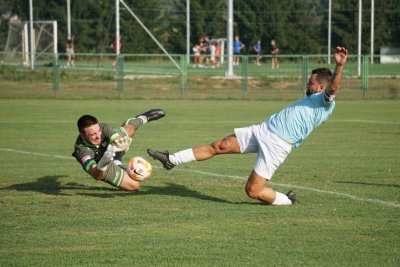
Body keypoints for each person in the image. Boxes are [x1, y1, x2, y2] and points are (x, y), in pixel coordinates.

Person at [147, 46, 349, 205]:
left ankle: (286, 199)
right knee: (220, 145)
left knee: (252, 191)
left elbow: (334, 87)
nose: (307, 85)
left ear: (321, 87)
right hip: (262, 130)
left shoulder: (325, 101)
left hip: (278, 146)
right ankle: (171, 159)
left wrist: (339, 66)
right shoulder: (313, 98)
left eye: (310, 83)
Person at [72, 109, 165, 191]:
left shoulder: (102, 127)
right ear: (83, 136)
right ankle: (116, 163)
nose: (98, 136)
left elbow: (117, 138)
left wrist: (120, 144)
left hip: (110, 149)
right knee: (134, 186)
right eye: (92, 134)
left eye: (98, 131)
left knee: (129, 130)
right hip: (100, 165)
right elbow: (95, 175)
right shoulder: (82, 151)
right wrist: (102, 165)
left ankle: (143, 118)